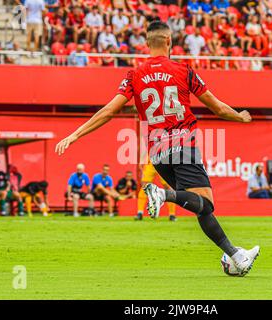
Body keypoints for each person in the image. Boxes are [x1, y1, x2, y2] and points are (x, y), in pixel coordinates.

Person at [55, 21, 259, 276]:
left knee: (199, 206)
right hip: (182, 144)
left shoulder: (134, 75)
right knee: (205, 204)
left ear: (147, 44)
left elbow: (109, 111)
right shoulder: (183, 70)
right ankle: (164, 196)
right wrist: (240, 117)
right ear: (170, 42)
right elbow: (217, 107)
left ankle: (236, 256)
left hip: (157, 152)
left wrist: (75, 134)